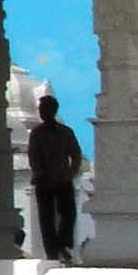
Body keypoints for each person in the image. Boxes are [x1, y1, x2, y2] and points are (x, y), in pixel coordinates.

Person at [27, 94, 84, 263]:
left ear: (52, 111)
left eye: (45, 109)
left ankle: (63, 244)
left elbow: (76, 154)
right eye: (41, 110)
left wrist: (70, 173)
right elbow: (33, 156)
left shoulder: (65, 133)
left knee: (69, 214)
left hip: (62, 180)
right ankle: (52, 251)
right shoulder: (37, 134)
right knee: (46, 218)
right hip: (44, 181)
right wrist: (40, 173)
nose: (42, 113)